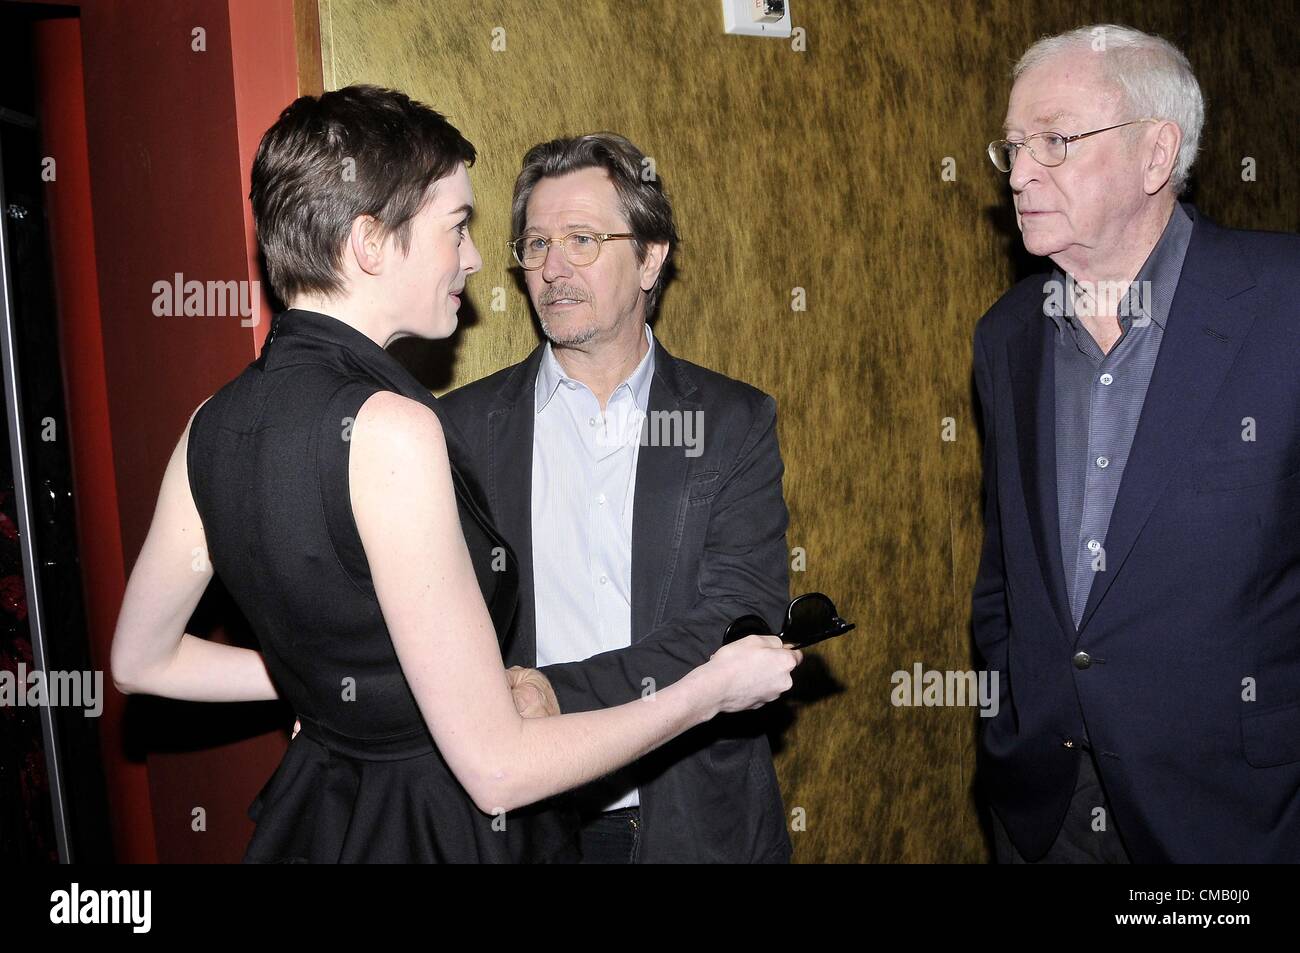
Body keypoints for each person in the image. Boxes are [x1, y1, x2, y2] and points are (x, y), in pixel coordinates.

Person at [109, 85, 801, 863]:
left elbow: (139, 660)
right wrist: (713, 690)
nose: (479, 260)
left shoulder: (211, 421)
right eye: (459, 228)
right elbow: (499, 767)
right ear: (372, 243)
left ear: (651, 257)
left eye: (581, 240)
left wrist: (338, 688)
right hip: (453, 828)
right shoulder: (408, 428)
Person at [974, 24, 1300, 862]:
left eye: (1053, 140)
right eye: (1011, 146)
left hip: (1237, 810)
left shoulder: (1283, 301)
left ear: (1157, 156)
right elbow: (1009, 569)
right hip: (1045, 803)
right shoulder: (1007, 333)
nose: (1019, 173)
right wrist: (1006, 709)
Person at [439, 133, 794, 863]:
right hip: (530, 824)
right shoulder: (461, 429)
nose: (553, 268)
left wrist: (553, 693)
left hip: (693, 815)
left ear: (652, 256)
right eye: (536, 244)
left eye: (582, 239)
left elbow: (734, 620)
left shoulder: (731, 422)